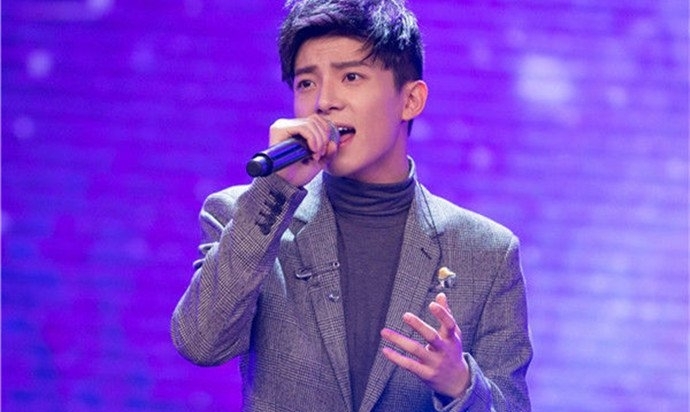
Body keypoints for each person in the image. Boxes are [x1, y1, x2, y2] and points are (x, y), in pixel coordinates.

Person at [171, 0, 533, 411]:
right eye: (306, 83)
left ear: (411, 100)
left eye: (351, 77)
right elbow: (200, 342)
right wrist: (276, 188)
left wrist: (460, 385)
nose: (324, 101)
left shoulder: (487, 253)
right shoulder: (246, 217)